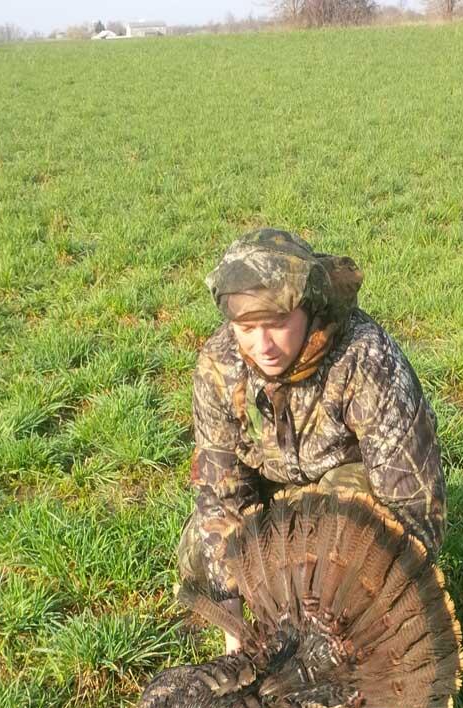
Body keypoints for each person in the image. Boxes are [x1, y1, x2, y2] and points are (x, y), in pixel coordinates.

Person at [178, 228, 446, 655]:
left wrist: (393, 626)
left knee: (344, 556)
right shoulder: (220, 364)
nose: (261, 345)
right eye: (246, 327)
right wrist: (234, 632)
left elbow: (414, 500)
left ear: (309, 308)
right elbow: (218, 490)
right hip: (273, 492)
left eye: (278, 324)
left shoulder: (365, 357)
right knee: (199, 545)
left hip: (351, 497)